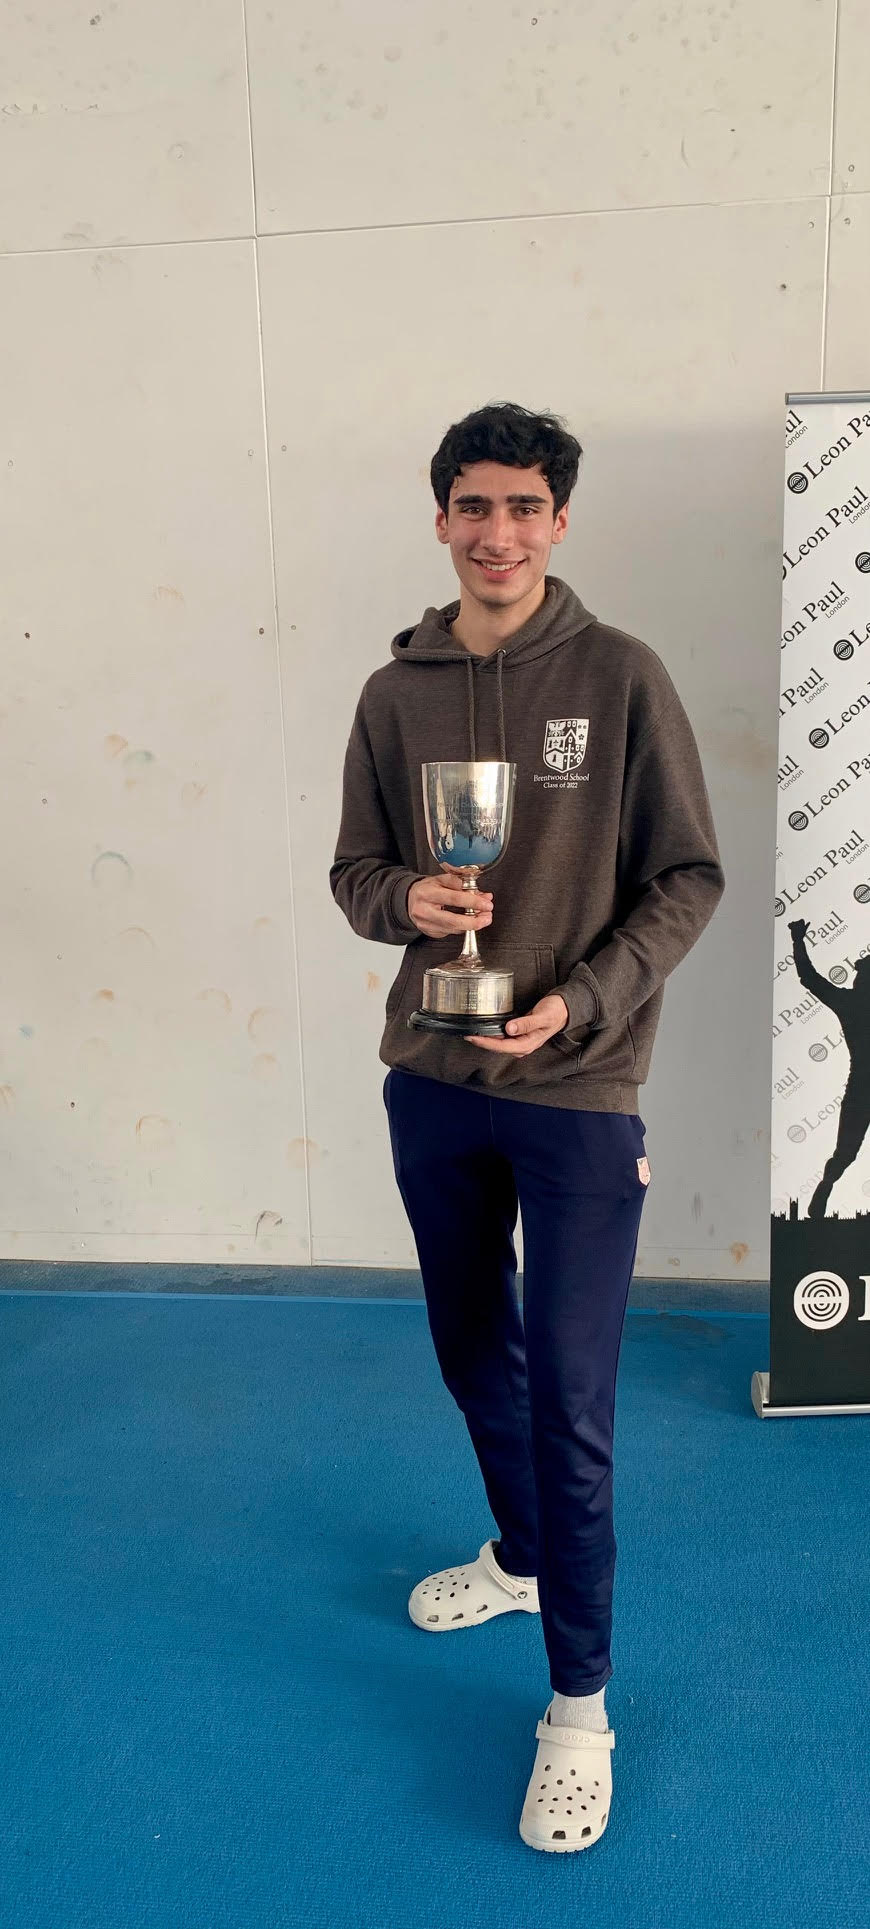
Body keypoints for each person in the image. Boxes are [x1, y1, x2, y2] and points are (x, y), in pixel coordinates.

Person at [330, 400, 725, 1853]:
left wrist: (584, 1005)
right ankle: (516, 1554)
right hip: (429, 1075)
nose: (497, 531)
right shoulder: (395, 692)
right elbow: (354, 869)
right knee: (464, 1347)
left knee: (569, 1393)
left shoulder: (618, 675)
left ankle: (578, 1705)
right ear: (439, 516)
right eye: (471, 505)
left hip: (575, 1087)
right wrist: (407, 905)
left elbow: (686, 876)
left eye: (525, 506)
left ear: (560, 521)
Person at [789, 918, 870, 1218]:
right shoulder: (849, 1002)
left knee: (845, 1152)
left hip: (860, 1087)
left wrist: (798, 940)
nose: (857, 978)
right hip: (861, 1088)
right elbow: (810, 979)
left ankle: (825, 1187)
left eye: (862, 974)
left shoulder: (849, 1001)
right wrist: (798, 941)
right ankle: (824, 1188)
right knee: (845, 1153)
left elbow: (810, 979)